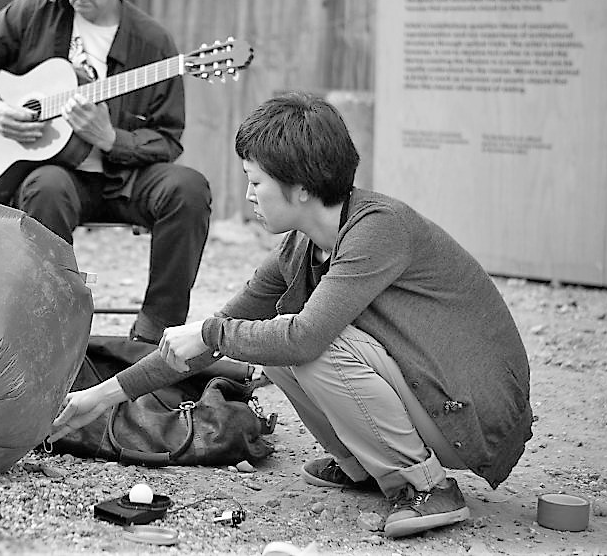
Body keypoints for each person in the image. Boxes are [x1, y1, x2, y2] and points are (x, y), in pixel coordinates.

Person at [49, 92, 534, 539]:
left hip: (472, 418)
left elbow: (297, 339)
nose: (249, 195)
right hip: (429, 397)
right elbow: (212, 340)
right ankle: (362, 466)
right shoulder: (300, 247)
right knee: (268, 341)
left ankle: (425, 486)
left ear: (300, 188)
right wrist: (98, 398)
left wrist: (213, 333)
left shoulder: (379, 230)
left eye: (256, 182)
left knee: (302, 340)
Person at [0, 0, 211, 344]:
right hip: (59, 179)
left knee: (188, 188)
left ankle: (157, 329)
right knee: (46, 187)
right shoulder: (34, 13)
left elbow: (168, 140)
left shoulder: (154, 44)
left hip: (126, 179)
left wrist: (111, 139)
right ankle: (51, 328)